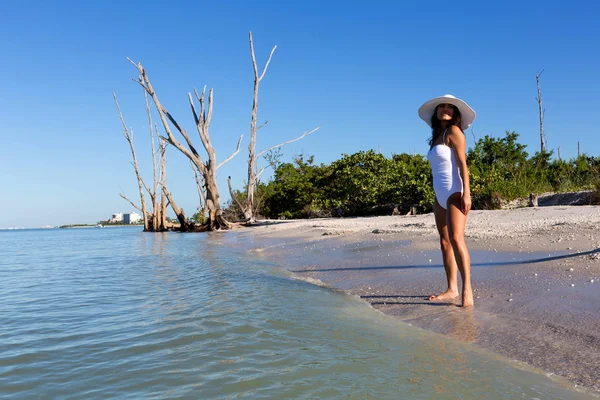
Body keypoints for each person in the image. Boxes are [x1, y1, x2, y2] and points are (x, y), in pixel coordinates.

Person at [418, 94, 476, 307]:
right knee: (444, 243)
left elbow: (463, 165)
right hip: (439, 195)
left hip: (455, 192)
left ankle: (467, 289)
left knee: (456, 238)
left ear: (455, 113)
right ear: (436, 112)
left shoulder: (454, 132)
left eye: (450, 107)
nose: (445, 109)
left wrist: (467, 193)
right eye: (442, 106)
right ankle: (452, 289)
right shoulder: (437, 136)